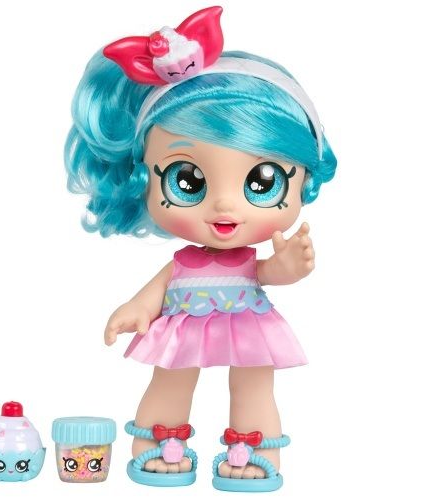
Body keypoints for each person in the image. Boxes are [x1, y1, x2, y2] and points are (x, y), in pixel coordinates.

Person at [65, 6, 337, 492]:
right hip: (183, 322)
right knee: (171, 377)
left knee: (254, 383)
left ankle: (254, 452)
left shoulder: (247, 261)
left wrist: (288, 267)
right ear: (143, 179)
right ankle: (158, 444)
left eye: (262, 181)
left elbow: (266, 273)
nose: (225, 204)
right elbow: (161, 286)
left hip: (247, 322)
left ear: (304, 181)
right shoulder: (182, 263)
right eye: (187, 180)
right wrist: (137, 308)